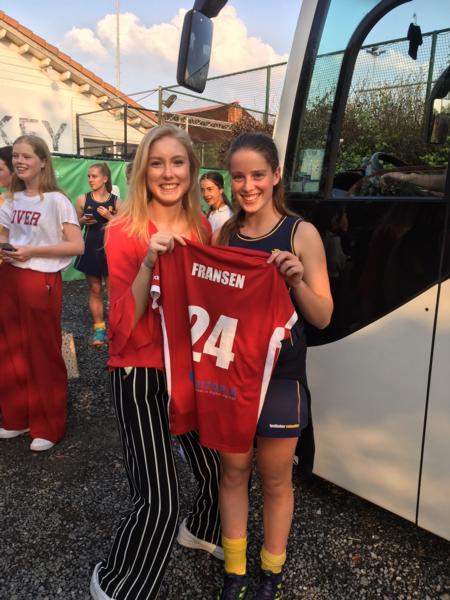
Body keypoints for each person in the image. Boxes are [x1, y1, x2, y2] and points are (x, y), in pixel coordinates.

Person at [90, 124, 222, 600]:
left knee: (220, 465)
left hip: (188, 368)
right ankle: (117, 581)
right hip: (139, 369)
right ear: (143, 170)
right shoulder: (122, 231)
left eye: (178, 162)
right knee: (159, 498)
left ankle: (204, 528)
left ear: (192, 168)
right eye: (158, 163)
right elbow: (124, 323)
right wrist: (149, 261)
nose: (168, 173)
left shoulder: (204, 226)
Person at [213, 132, 333, 599]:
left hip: (281, 377)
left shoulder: (300, 233)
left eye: (257, 175)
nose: (247, 186)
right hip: (231, 376)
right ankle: (235, 574)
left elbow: (322, 315)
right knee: (232, 473)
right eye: (238, 176)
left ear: (276, 175)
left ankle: (271, 575)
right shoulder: (224, 234)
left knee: (276, 478)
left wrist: (298, 281)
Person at [0, 134, 84, 451]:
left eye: (27, 156)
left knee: (42, 351)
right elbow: (6, 237)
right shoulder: (11, 199)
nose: (20, 161)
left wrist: (32, 251)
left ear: (43, 162)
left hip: (41, 279)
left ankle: (48, 424)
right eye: (17, 156)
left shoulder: (56, 200)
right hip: (9, 276)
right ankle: (17, 417)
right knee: (10, 349)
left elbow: (77, 245)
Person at [74, 163, 119, 346]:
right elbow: (73, 227)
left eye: (94, 176)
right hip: (91, 249)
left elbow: (124, 228)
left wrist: (110, 218)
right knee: (95, 290)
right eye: (89, 176)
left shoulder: (116, 201)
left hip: (110, 250)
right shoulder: (82, 200)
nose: (91, 180)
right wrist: (82, 221)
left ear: (105, 179)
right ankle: (99, 328)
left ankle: (116, 327)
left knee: (113, 291)